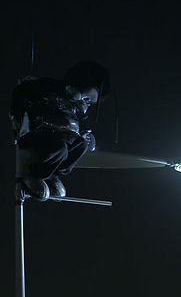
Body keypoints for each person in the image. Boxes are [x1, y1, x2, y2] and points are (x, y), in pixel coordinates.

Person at [10, 61, 110, 201]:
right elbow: (22, 91)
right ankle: (36, 176)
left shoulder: (72, 104)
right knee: (59, 148)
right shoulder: (50, 87)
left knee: (80, 145)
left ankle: (52, 175)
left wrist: (82, 136)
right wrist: (17, 119)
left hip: (63, 134)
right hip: (40, 132)